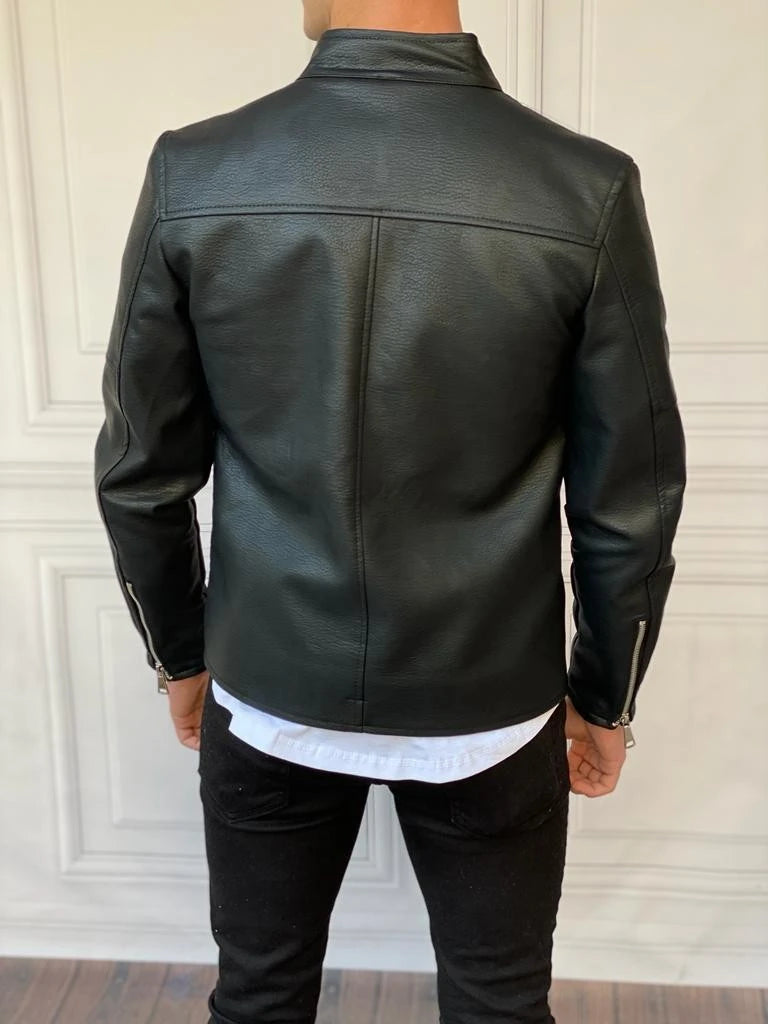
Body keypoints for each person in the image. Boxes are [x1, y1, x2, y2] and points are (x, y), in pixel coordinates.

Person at [92, 0, 687, 1020]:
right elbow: (628, 498)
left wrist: (180, 657)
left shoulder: (197, 172)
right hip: (490, 702)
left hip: (270, 685)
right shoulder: (583, 187)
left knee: (259, 998)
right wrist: (607, 697)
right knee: (499, 1004)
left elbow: (141, 474)